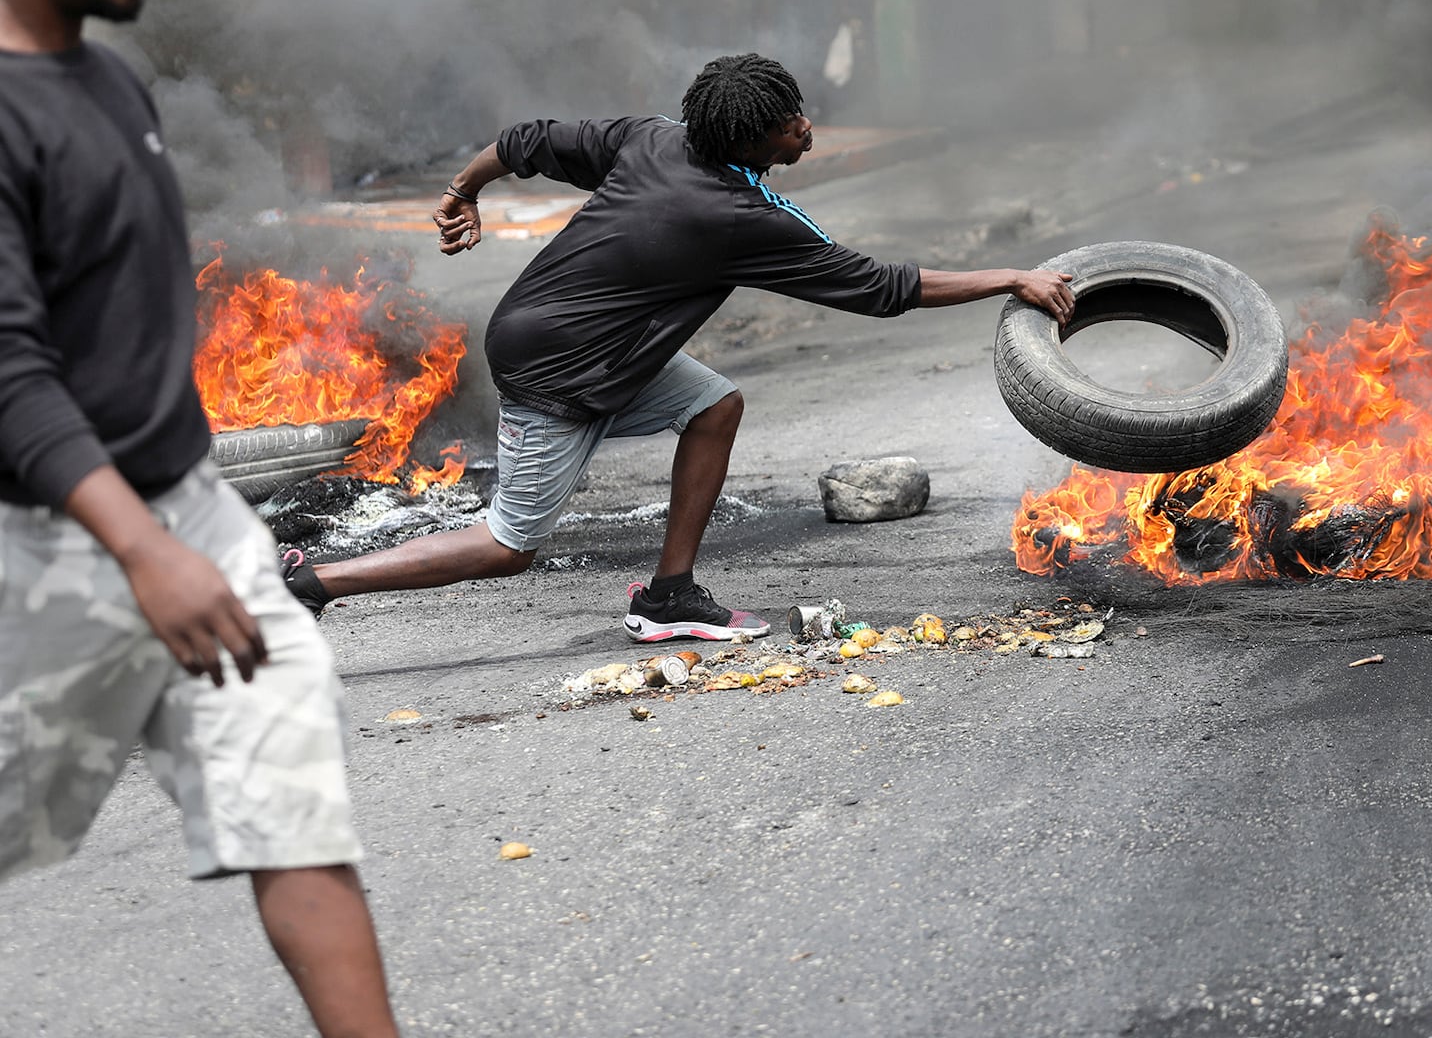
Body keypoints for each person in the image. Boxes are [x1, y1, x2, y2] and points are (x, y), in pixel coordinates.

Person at [0, 0, 401, 1035]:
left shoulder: (110, 82)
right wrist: (141, 549)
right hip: (55, 546)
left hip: (190, 518)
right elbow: (7, 374)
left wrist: (185, 525)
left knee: (297, 812)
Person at [281, 52, 1075, 643]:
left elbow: (524, 141)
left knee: (714, 405)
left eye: (797, 110)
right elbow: (880, 288)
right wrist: (1011, 277)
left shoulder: (652, 138)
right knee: (506, 545)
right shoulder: (742, 219)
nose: (805, 126)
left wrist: (463, 191)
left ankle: (669, 594)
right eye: (789, 122)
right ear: (750, 137)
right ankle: (311, 583)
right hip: (558, 368)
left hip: (580, 339)